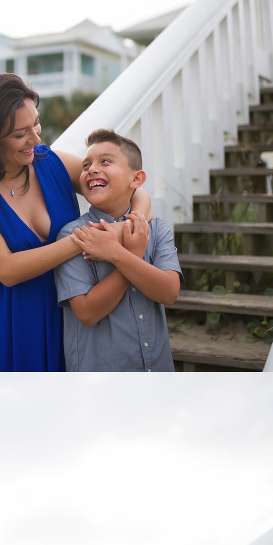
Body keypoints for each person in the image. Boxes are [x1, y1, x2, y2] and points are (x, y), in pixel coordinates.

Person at [0, 74, 152, 371]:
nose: (36, 139)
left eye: (35, 123)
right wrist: (87, 239)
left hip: (69, 302)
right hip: (14, 318)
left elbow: (135, 191)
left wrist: (126, 225)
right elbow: (7, 270)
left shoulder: (52, 163)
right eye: (19, 133)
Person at [54, 129, 182, 371]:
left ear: (136, 179)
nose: (91, 169)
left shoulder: (155, 229)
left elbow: (169, 292)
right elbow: (87, 313)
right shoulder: (75, 235)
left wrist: (119, 254)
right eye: (85, 165)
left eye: (105, 161)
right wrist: (132, 255)